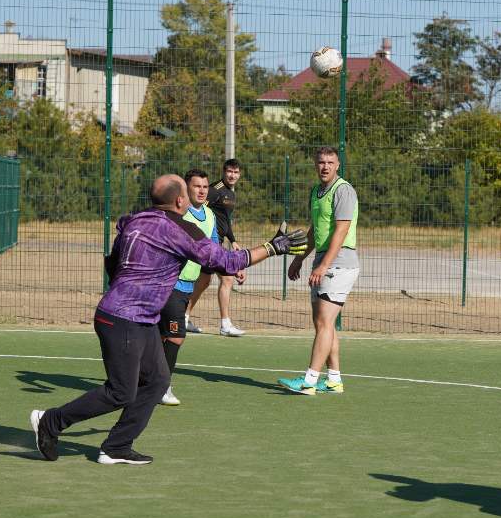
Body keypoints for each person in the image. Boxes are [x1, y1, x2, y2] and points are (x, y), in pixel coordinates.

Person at [28, 175, 303, 465]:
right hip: (124, 319)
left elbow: (112, 264)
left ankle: (116, 446)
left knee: (158, 380)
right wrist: (273, 247)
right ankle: (50, 421)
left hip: (133, 316)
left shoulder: (134, 220)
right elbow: (226, 262)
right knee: (120, 391)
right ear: (180, 201)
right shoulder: (181, 229)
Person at [278, 147, 359, 396]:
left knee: (324, 322)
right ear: (316, 165)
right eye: (321, 162)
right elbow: (315, 230)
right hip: (323, 261)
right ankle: (334, 379)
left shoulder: (343, 190)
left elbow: (341, 230)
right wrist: (300, 258)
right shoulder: (316, 191)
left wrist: (324, 265)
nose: (325, 166)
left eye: (330, 162)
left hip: (339, 262)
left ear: (338, 165)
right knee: (323, 323)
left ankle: (309, 381)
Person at [158, 168, 219, 406]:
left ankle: (148, 381)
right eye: (197, 186)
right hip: (169, 283)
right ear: (186, 188)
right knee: (175, 336)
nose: (202, 190)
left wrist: (233, 266)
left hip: (187, 288)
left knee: (162, 336)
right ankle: (162, 387)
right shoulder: (177, 214)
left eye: (205, 186)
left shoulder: (210, 216)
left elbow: (214, 249)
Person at [189, 158, 246, 337]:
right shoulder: (214, 191)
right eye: (230, 171)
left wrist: (233, 240)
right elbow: (198, 210)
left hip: (218, 242)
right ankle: (225, 324)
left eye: (236, 172)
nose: (232, 175)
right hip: (209, 244)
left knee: (204, 281)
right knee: (228, 279)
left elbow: (224, 219)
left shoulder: (231, 193)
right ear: (223, 171)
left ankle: (183, 316)